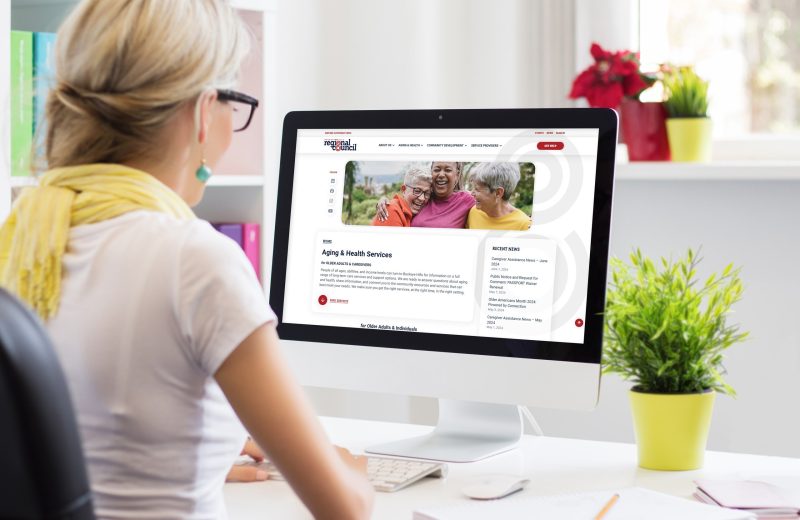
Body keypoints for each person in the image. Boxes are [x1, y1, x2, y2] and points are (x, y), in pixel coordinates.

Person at [0, 1, 373, 519]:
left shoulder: (27, 236)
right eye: (234, 101)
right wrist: (355, 477)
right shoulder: (194, 259)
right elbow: (345, 509)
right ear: (203, 110)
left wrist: (194, 456)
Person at [376, 161, 475, 228]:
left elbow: (487, 201)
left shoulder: (466, 200)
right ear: (431, 172)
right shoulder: (426, 198)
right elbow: (404, 200)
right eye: (437, 169)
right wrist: (384, 201)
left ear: (457, 175)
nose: (441, 174)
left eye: (448, 170)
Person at [466, 162, 531, 230]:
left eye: (477, 189)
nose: (472, 193)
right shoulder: (474, 213)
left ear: (498, 193)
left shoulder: (524, 225)